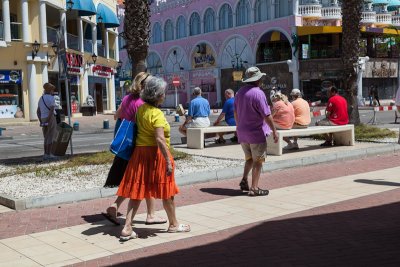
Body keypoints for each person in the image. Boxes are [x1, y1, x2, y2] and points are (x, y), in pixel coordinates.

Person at [117, 76, 190, 241]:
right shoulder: (156, 114)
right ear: (158, 95)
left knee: (137, 191)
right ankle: (173, 224)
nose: (165, 95)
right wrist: (167, 160)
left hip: (140, 154)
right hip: (155, 155)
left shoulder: (141, 109)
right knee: (167, 190)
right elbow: (159, 139)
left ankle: (127, 227)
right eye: (163, 92)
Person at [103, 72, 167, 226]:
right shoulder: (142, 104)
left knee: (133, 180)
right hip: (138, 146)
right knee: (144, 180)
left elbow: (116, 116)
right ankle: (150, 215)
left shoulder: (126, 99)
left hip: (125, 147)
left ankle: (116, 206)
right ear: (145, 85)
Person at [234, 66, 278, 196]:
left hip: (242, 132)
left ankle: (244, 179)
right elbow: (267, 115)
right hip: (255, 133)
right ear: (258, 79)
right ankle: (254, 188)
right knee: (258, 161)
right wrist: (274, 131)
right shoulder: (258, 93)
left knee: (249, 158)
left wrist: (239, 126)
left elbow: (235, 112)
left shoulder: (239, 92)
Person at [36, 83, 57, 160]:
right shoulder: (51, 98)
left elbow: (38, 111)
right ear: (50, 90)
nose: (53, 91)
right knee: (51, 136)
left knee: (46, 137)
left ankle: (45, 154)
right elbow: (51, 111)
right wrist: (48, 120)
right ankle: (50, 153)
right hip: (50, 118)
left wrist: (41, 121)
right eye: (52, 90)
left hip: (43, 118)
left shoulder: (41, 98)